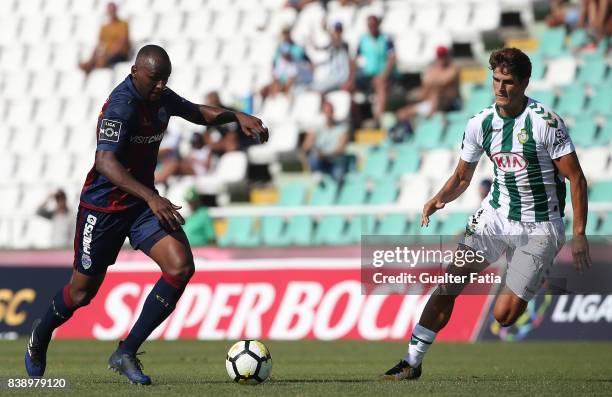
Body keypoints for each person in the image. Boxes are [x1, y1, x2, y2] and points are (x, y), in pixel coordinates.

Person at [25, 45, 268, 385]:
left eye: (164, 80)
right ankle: (40, 334)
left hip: (140, 207)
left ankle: (126, 350)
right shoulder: (120, 107)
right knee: (82, 293)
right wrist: (153, 196)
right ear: (135, 72)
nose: (160, 86)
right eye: (154, 79)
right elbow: (105, 163)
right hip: (104, 209)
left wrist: (235, 116)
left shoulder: (160, 97)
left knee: (180, 266)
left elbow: (197, 112)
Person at [383, 48, 591, 380]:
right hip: (495, 215)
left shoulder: (544, 123)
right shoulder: (481, 122)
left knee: (503, 315)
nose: (500, 88)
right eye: (496, 80)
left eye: (508, 82)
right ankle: (411, 361)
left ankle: (531, 269)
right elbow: (463, 177)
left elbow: (577, 178)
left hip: (540, 224)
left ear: (524, 83)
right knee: (451, 281)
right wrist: (439, 199)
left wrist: (579, 234)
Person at [344, 15, 396, 123]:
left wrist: (384, 75)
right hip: (367, 75)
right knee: (347, 87)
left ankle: (378, 118)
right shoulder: (363, 39)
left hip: (382, 74)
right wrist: (351, 78)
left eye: (373, 24)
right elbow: (354, 60)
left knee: (380, 84)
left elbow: (392, 58)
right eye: (369, 25)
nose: (371, 27)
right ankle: (357, 119)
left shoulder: (386, 39)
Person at [395, 46, 461, 122]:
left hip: (449, 103)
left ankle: (430, 120)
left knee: (436, 92)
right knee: (402, 113)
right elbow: (426, 88)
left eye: (443, 55)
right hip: (431, 102)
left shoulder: (453, 69)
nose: (441, 58)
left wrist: (432, 82)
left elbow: (442, 83)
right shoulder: (433, 69)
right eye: (439, 56)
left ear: (447, 56)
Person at [300, 100, 349, 181]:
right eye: (326, 112)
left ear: (333, 112)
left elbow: (340, 149)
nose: (328, 114)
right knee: (313, 157)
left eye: (330, 111)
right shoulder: (317, 128)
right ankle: (317, 174)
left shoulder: (342, 128)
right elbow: (306, 146)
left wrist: (325, 155)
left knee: (338, 177)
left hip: (335, 162)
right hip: (321, 161)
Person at [79, 2, 130, 74]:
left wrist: (108, 55)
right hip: (106, 54)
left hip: (118, 55)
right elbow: (99, 45)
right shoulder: (104, 28)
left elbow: (122, 43)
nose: (111, 12)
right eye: (110, 10)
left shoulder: (123, 24)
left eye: (113, 10)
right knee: (89, 64)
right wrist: (92, 58)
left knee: (101, 62)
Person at [311, 22, 350, 94]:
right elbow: (323, 49)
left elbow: (337, 42)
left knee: (317, 89)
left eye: (338, 30)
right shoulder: (332, 46)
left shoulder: (344, 44)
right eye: (336, 30)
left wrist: (327, 31)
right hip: (332, 75)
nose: (336, 33)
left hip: (340, 77)